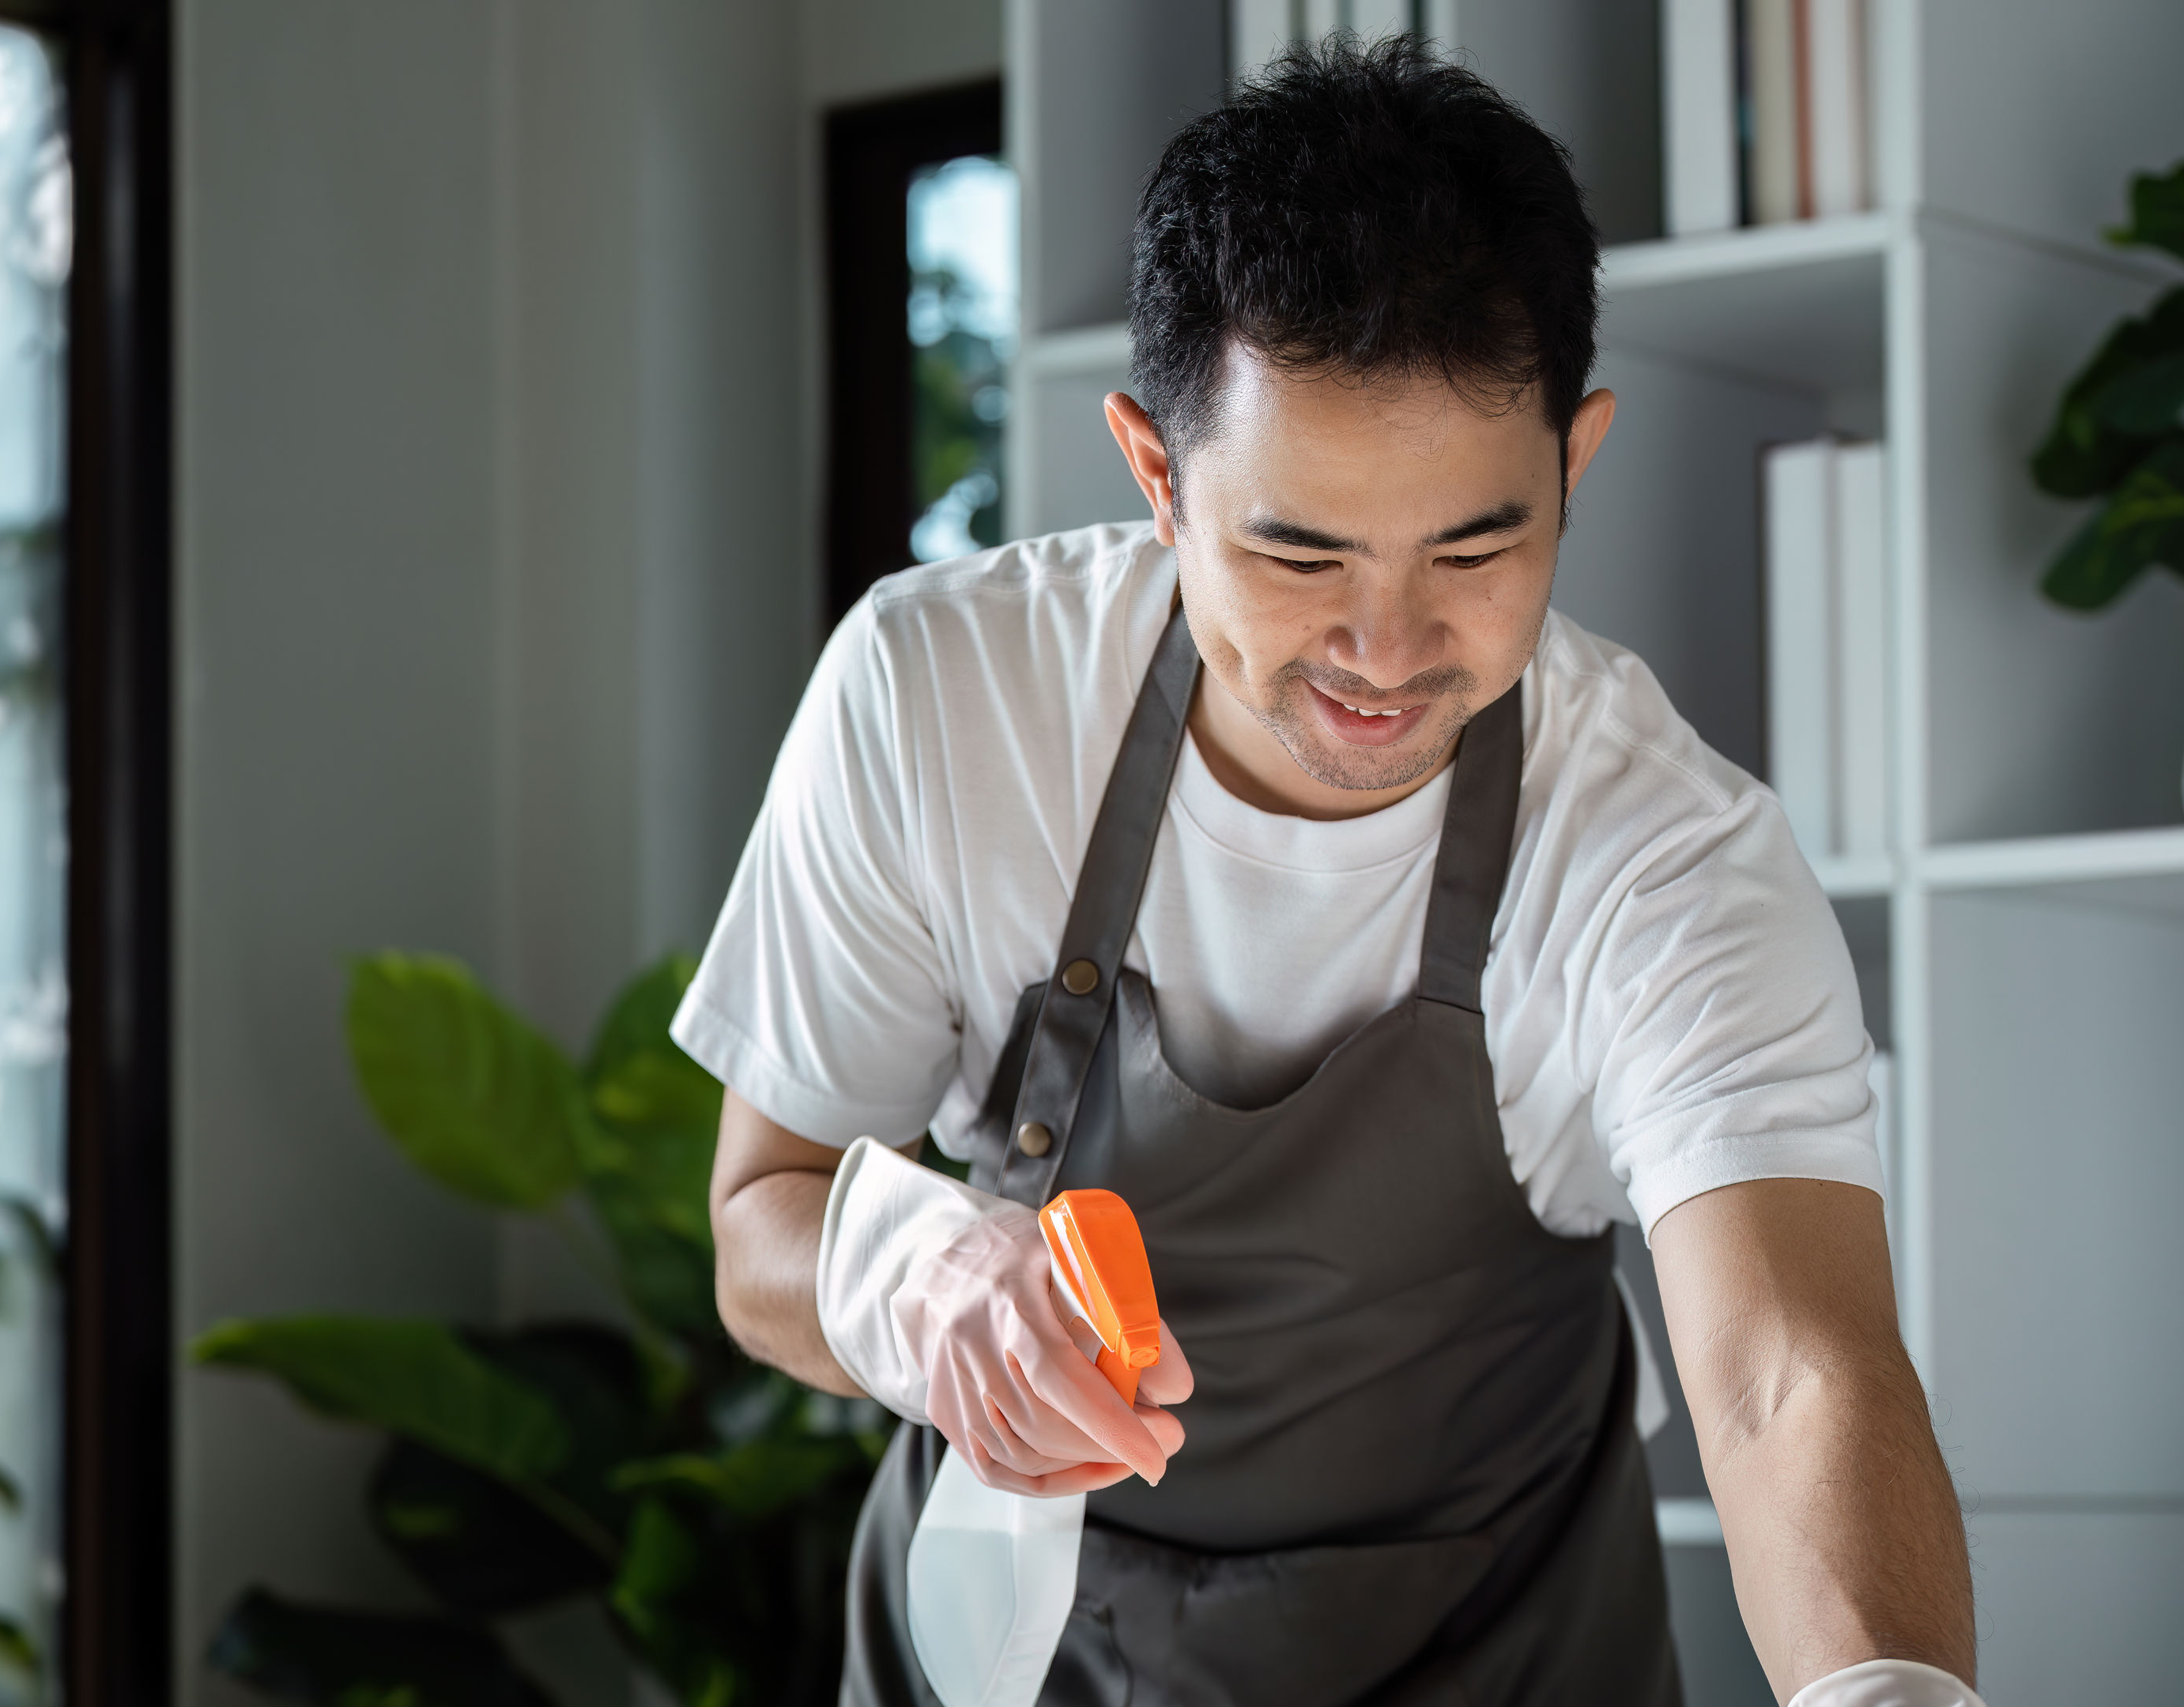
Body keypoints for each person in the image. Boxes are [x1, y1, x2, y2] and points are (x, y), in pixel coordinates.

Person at [679, 36, 1978, 1707]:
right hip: (1013, 1636)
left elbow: (1793, 1370)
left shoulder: (1660, 850)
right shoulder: (943, 702)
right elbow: (757, 1220)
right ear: (1157, 474)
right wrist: (917, 1280)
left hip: (1498, 1649)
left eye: (1478, 547)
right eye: (1299, 552)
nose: (1387, 647)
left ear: (1575, 462)